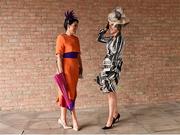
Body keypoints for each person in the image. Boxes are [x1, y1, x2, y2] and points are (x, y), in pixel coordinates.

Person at [96, 7, 129, 129]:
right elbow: (99, 38)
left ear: (118, 27)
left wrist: (108, 72)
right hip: (107, 68)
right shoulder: (111, 39)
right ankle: (115, 114)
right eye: (109, 25)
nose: (110, 27)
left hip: (113, 69)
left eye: (112, 26)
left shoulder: (120, 39)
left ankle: (110, 120)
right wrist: (105, 28)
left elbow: (115, 56)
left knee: (110, 92)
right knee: (111, 92)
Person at [55, 10, 83, 131]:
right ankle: (74, 120)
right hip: (65, 70)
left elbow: (78, 55)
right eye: (74, 26)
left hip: (74, 70)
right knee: (67, 94)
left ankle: (62, 119)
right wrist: (61, 73)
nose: (76, 28)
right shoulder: (61, 37)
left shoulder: (76, 39)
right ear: (68, 25)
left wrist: (81, 68)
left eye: (77, 26)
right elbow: (58, 56)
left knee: (69, 94)